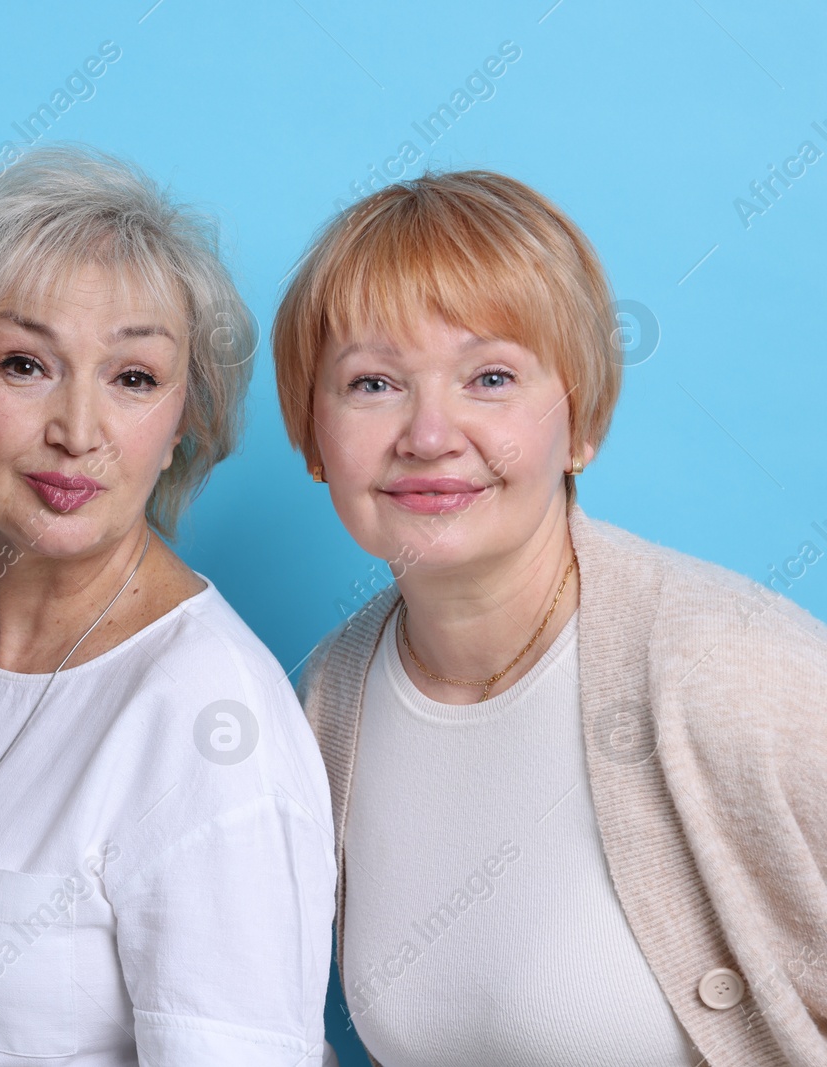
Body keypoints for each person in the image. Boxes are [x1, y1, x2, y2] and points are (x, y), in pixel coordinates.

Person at [273, 169, 827, 1066]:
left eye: (490, 377)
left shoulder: (732, 667)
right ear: (312, 439)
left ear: (581, 424)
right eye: (373, 383)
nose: (428, 434)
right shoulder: (328, 698)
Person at [0, 145, 336, 1067]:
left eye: (133, 378)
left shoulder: (214, 721)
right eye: (25, 363)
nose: (77, 430)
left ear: (185, 413)